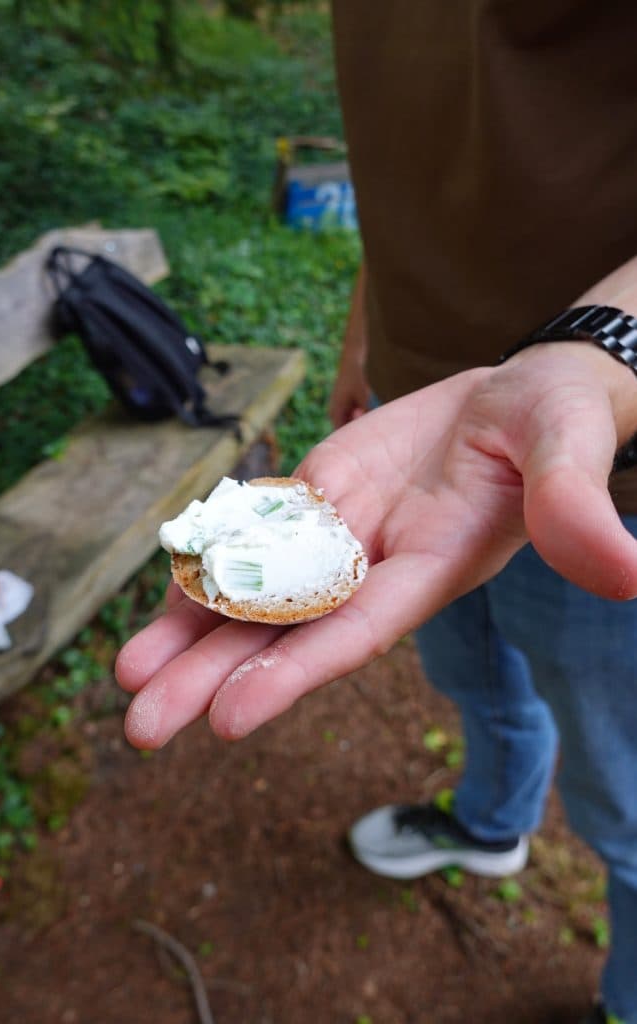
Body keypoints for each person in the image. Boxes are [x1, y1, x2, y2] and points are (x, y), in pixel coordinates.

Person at [116, 3, 637, 1021]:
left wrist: (600, 352)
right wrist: (371, 329)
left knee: (624, 788)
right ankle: (492, 821)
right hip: (413, 429)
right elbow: (418, 154)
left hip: (608, 450)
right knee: (469, 669)